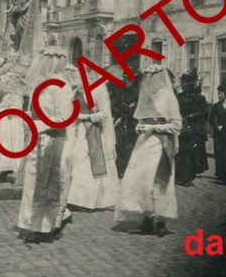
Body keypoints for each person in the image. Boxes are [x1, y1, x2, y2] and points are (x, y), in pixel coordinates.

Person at [16, 46, 76, 243]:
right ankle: (31, 222)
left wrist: (37, 125)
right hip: (38, 139)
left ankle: (47, 224)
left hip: (54, 139)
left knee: (51, 181)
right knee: (34, 182)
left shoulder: (61, 86)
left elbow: (63, 118)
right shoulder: (38, 85)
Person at [114, 65, 182, 236]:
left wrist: (154, 128)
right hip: (144, 144)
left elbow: (176, 125)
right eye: (146, 78)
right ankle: (146, 218)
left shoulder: (168, 97)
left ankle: (160, 221)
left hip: (161, 144)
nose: (147, 82)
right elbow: (142, 118)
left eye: (151, 78)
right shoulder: (146, 97)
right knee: (142, 181)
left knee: (158, 181)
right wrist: (140, 127)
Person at [64, 63, 119, 210]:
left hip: (91, 130)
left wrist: (84, 117)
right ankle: (73, 198)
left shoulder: (98, 89)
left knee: (86, 162)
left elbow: (104, 114)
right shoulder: (75, 88)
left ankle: (87, 200)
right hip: (74, 130)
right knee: (74, 160)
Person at [0, 54, 29, 183]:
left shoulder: (21, 86)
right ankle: (2, 169)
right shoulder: (1, 82)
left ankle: (12, 168)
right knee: (3, 141)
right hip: (3, 115)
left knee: (14, 142)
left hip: (15, 116)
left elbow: (23, 99)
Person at [175, 70, 209, 185]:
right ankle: (181, 176)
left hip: (195, 129)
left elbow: (204, 113)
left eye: (185, 82)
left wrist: (190, 118)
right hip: (181, 127)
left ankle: (189, 176)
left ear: (191, 83)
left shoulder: (200, 98)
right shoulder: (179, 97)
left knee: (193, 153)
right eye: (182, 82)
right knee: (182, 152)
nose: (182, 85)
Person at [208, 80, 226, 183]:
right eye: (218, 94)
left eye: (220, 94)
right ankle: (219, 173)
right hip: (218, 133)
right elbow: (210, 119)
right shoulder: (215, 106)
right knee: (218, 153)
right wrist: (216, 126)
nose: (218, 96)